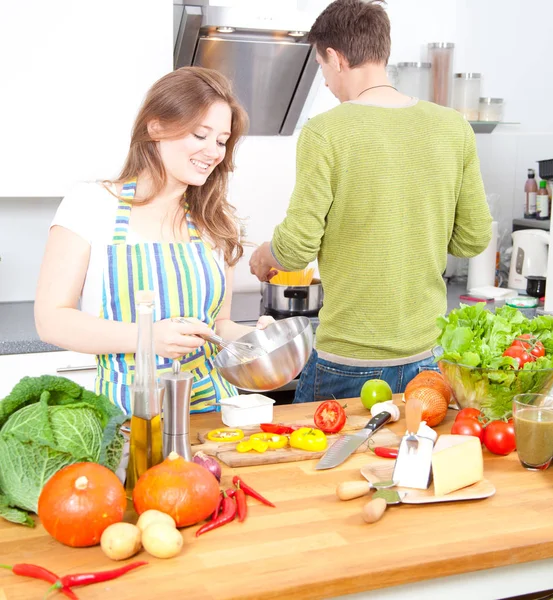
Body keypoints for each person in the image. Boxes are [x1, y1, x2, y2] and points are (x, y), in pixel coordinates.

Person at [249, 0, 492, 402]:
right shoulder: (454, 127)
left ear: (336, 57)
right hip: (429, 363)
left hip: (348, 363)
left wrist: (264, 255)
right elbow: (472, 240)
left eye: (321, 68)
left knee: (316, 465)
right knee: (413, 465)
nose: (325, 82)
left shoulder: (325, 131)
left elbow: (296, 248)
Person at [35, 66, 272, 415]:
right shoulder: (91, 204)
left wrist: (256, 341)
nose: (213, 151)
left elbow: (217, 326)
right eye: (200, 134)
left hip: (210, 411)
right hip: (127, 415)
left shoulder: (214, 220)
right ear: (156, 126)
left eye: (221, 141)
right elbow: (51, 320)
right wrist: (147, 338)